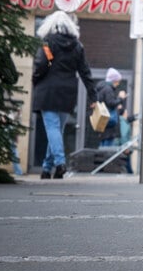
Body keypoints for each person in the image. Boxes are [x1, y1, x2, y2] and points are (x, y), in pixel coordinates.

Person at [31, 11, 97, 179]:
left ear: (51, 26)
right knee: (57, 130)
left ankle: (60, 164)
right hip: (67, 92)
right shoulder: (77, 46)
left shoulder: (47, 43)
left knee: (53, 129)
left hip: (48, 91)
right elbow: (85, 72)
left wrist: (35, 79)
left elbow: (41, 64)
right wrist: (93, 96)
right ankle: (47, 169)